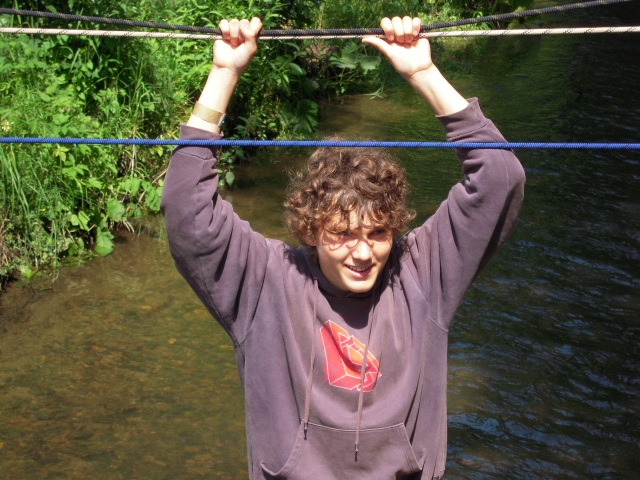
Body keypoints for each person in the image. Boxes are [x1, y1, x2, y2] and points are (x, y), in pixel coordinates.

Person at [160, 15, 525, 480]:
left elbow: (500, 178)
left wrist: (423, 73)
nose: (364, 253)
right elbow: (186, 209)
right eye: (343, 234)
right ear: (311, 231)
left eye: (378, 233)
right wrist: (224, 73)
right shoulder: (266, 283)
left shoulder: (422, 274)